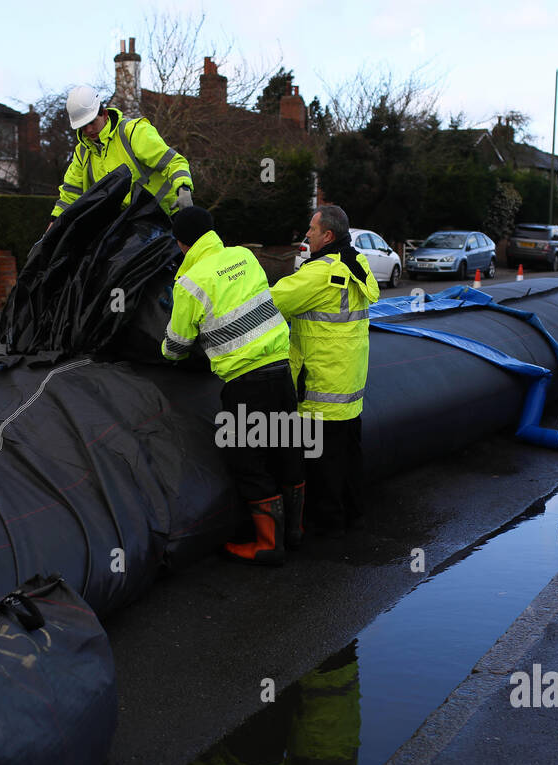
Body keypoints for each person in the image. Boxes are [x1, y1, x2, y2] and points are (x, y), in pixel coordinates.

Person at [161, 206, 303, 566]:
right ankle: (295, 532)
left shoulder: (188, 283)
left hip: (245, 383)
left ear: (181, 244)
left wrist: (165, 348)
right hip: (280, 369)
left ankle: (269, 546)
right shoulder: (244, 256)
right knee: (286, 448)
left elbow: (177, 348)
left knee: (248, 460)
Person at [270, 205, 379, 538]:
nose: (307, 235)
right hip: (349, 383)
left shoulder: (318, 273)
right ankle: (354, 516)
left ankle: (327, 527)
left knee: (322, 464)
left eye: (312, 230)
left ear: (328, 235)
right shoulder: (356, 261)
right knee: (348, 456)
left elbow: (271, 303)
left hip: (319, 386)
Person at [51, 85, 193, 221]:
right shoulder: (82, 152)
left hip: (164, 217)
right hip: (125, 228)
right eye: (83, 126)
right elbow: (70, 192)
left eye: (92, 122)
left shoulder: (133, 132)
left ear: (105, 114)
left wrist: (183, 188)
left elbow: (172, 162)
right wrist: (55, 222)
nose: (88, 130)